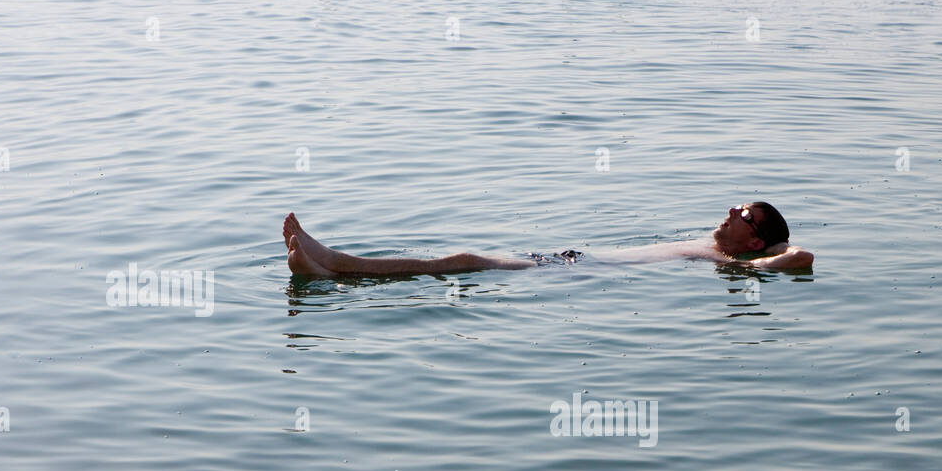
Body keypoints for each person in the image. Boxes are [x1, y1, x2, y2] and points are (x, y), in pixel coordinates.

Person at [283, 202, 813, 277]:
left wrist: (770, 256)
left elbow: (801, 255)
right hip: (567, 259)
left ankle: (336, 266)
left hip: (571, 272)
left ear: (753, 240)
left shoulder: (736, 264)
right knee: (463, 259)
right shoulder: (715, 245)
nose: (730, 210)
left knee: (464, 262)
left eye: (742, 213)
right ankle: (331, 265)